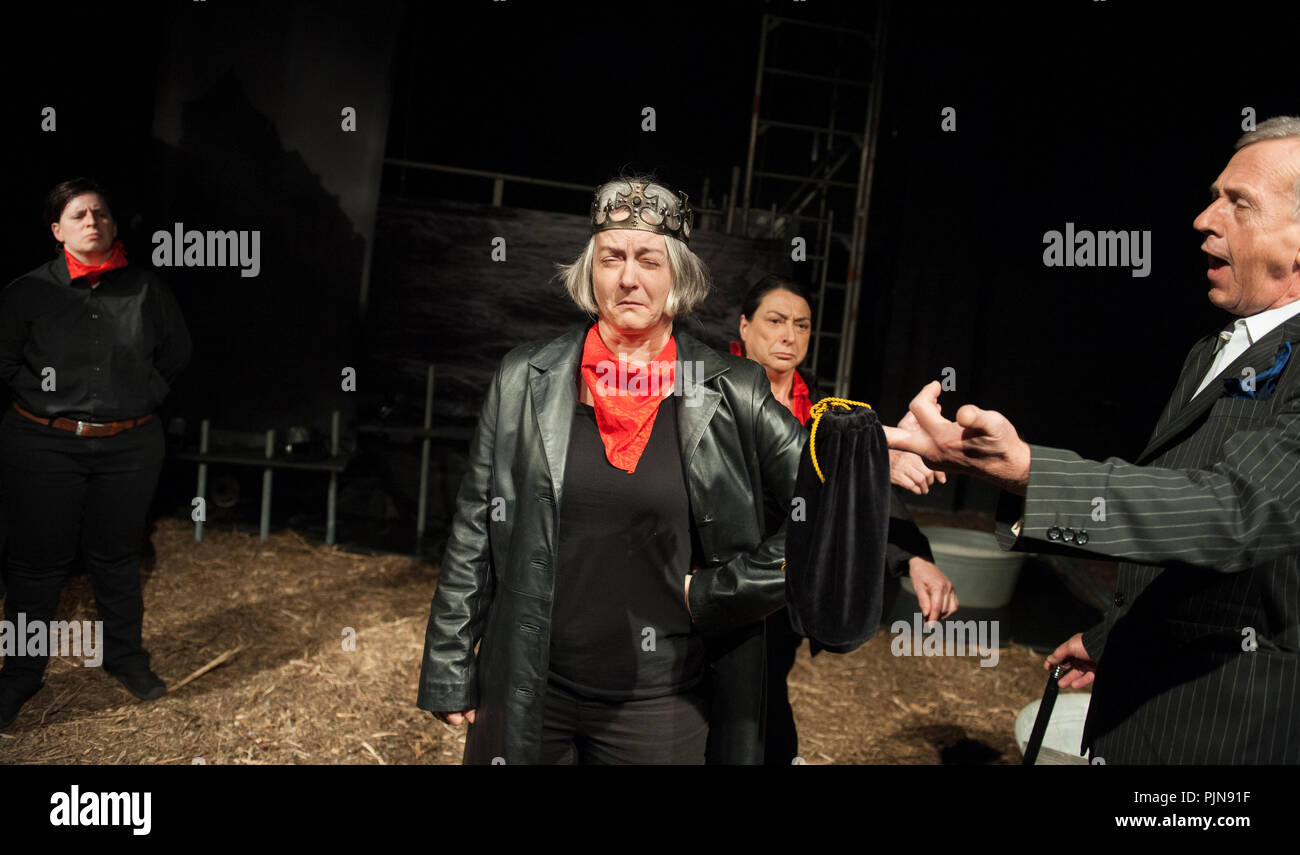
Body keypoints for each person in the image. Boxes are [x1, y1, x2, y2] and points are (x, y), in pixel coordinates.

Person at [884, 117, 1300, 764]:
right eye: (1215, 194)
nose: (1203, 217)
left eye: (1238, 202)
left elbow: (1235, 510)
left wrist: (1027, 472)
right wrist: (1116, 638)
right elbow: (1192, 540)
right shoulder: (1212, 351)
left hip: (1225, 733)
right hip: (1147, 711)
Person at [417, 176, 826, 764]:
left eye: (648, 260)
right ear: (590, 273)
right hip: (533, 690)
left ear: (678, 277)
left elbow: (822, 503)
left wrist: (723, 592)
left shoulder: (727, 390)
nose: (628, 277)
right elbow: (474, 527)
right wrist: (450, 661)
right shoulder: (524, 377)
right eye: (611, 258)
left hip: (660, 706)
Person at [733, 273, 958, 764]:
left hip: (782, 586)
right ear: (744, 327)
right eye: (774, 321)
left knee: (766, 693)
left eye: (802, 325)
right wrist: (860, 459)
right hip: (720, 580)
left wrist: (913, 556)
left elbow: (862, 492)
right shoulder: (711, 396)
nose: (789, 335)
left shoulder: (821, 413)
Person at [0, 178, 191, 731]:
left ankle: (125, 659)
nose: (93, 221)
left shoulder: (146, 290)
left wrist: (142, 397)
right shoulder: (26, 293)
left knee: (117, 557)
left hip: (129, 446)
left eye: (102, 213)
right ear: (58, 230)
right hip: (43, 442)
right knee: (36, 565)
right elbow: (5, 360)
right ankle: (20, 674)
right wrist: (50, 405)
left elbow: (177, 352)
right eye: (80, 215)